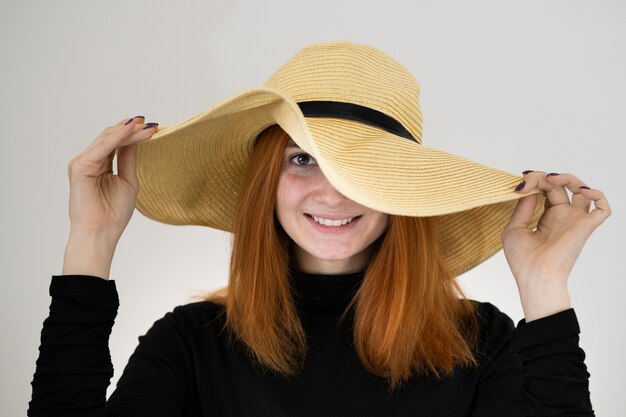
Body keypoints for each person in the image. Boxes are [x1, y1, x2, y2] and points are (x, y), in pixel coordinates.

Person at [29, 42, 609, 416]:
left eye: (362, 167)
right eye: (302, 159)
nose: (333, 192)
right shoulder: (194, 341)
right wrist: (92, 241)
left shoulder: (477, 340)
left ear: (398, 189)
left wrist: (544, 288)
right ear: (266, 179)